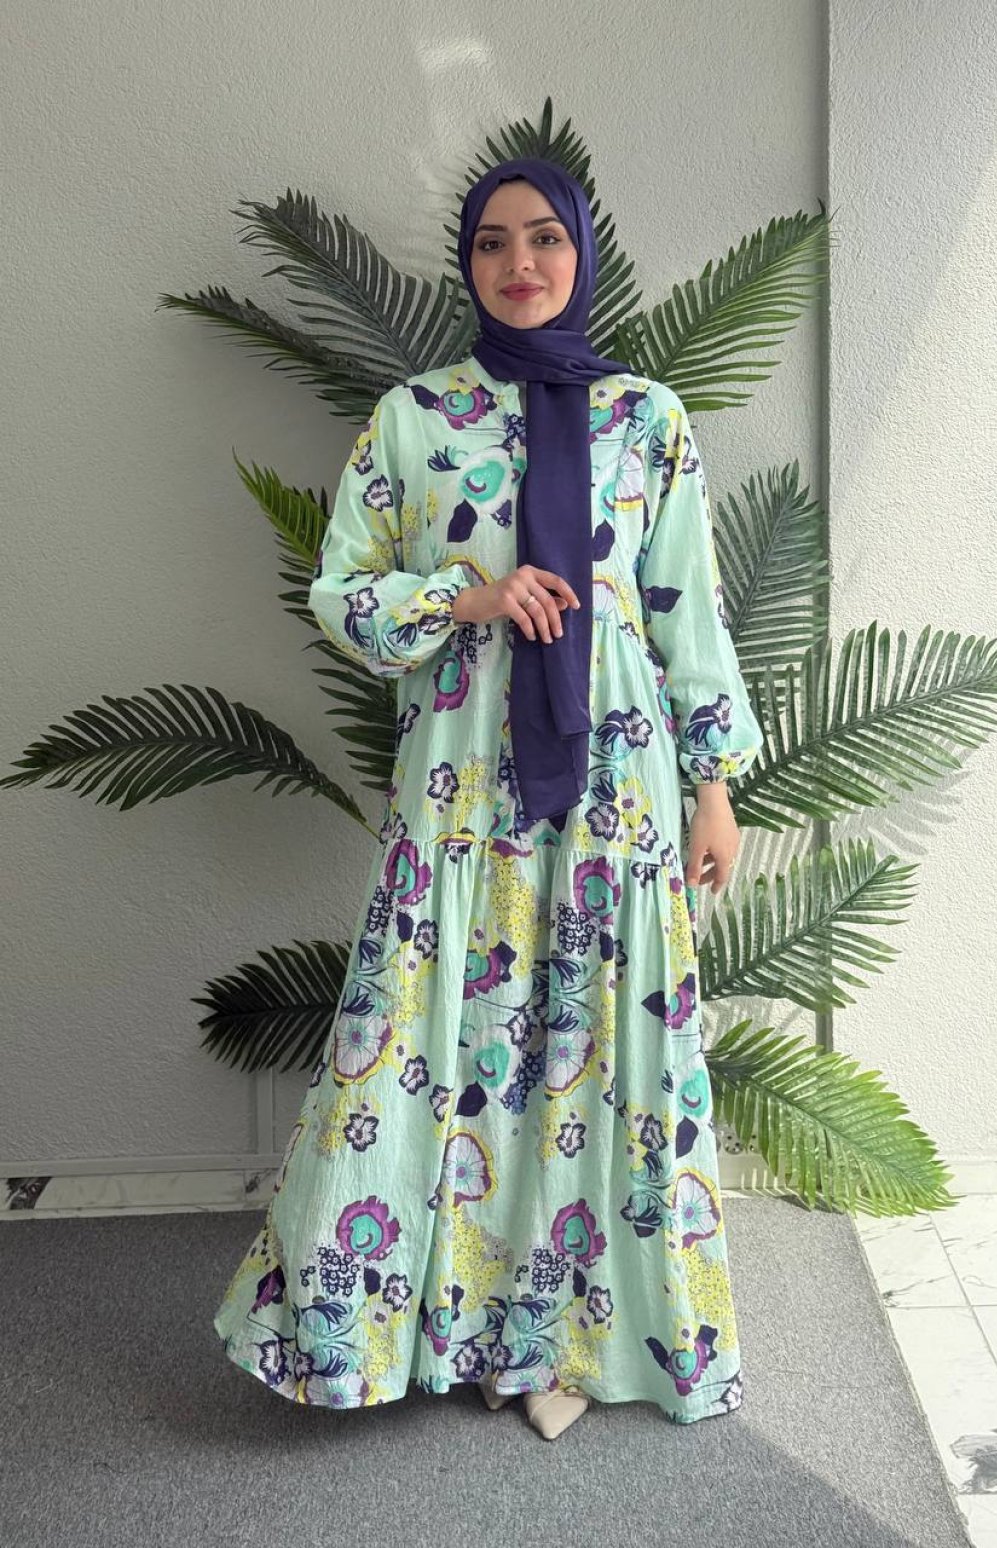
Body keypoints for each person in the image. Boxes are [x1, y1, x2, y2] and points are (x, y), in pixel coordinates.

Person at [213, 156, 763, 1442]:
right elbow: (344, 593)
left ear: (581, 252)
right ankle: (429, 1328)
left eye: (545, 240)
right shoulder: (415, 419)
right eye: (493, 244)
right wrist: (468, 596)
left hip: (615, 797)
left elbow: (686, 613)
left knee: (593, 1055)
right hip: (462, 792)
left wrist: (715, 787)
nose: (521, 264)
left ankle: (566, 1336)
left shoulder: (647, 421)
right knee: (435, 1047)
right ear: (468, 265)